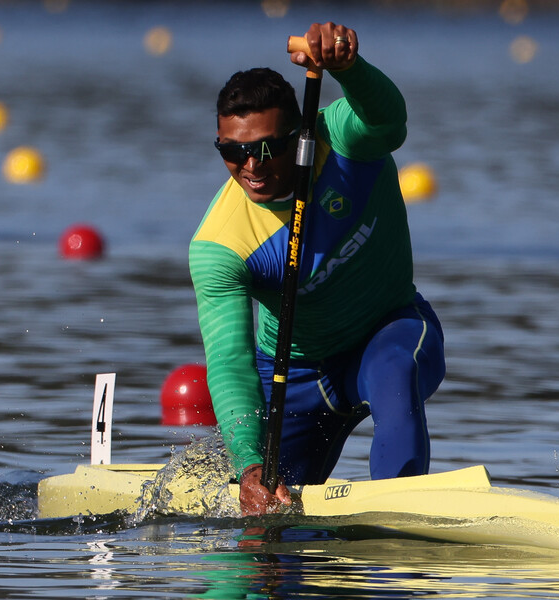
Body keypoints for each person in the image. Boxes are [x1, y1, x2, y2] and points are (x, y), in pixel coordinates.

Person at [189, 22, 445, 516]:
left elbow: (391, 121)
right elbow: (228, 360)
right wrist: (248, 466)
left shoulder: (346, 139)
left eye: (266, 148)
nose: (251, 166)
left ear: (300, 133)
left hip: (389, 331)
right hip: (293, 373)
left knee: (394, 368)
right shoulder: (219, 245)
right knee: (266, 525)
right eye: (232, 152)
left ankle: (399, 524)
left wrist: (349, 69)